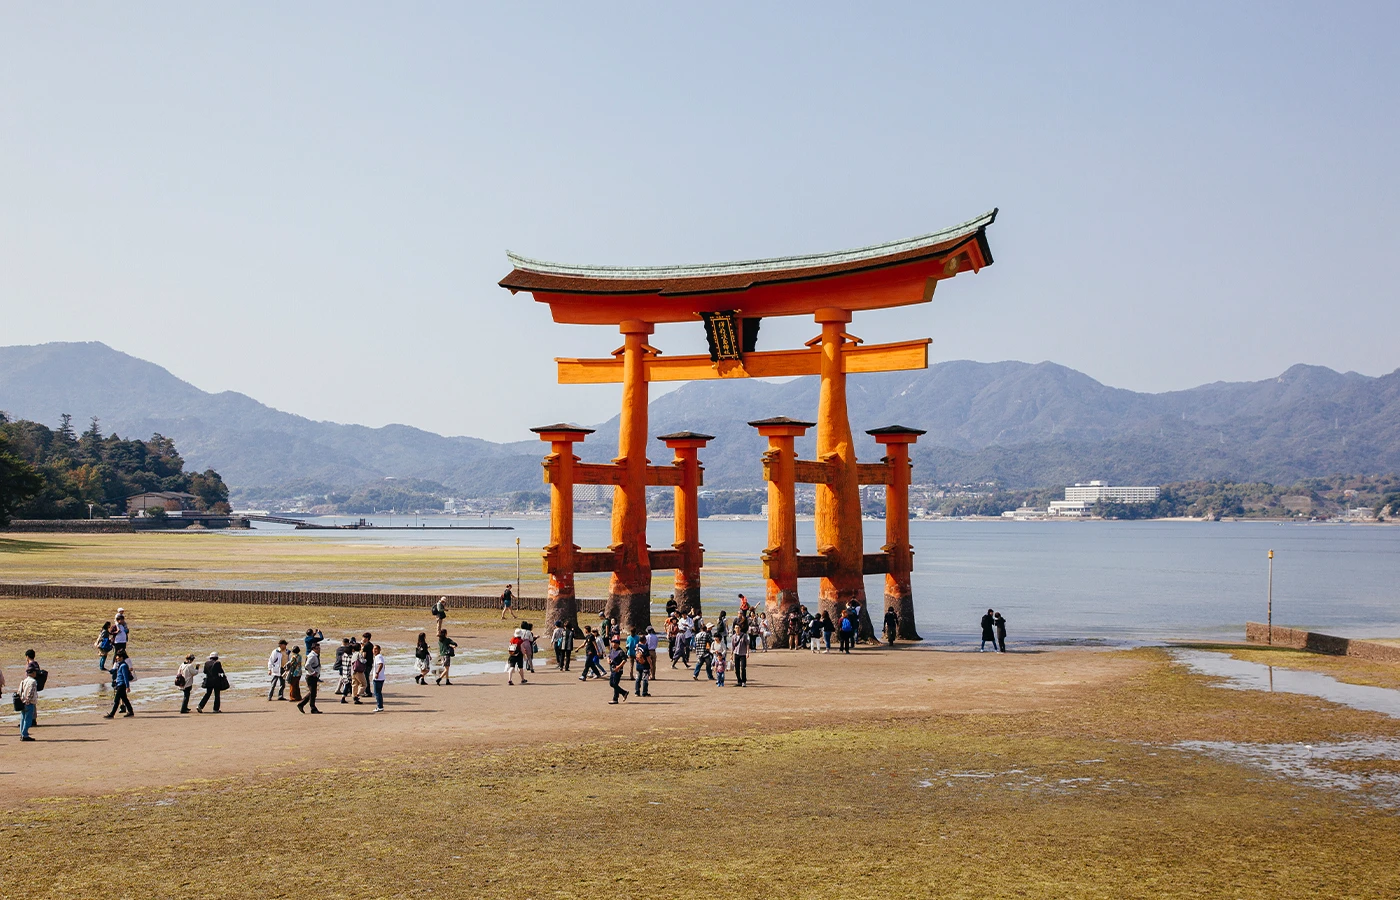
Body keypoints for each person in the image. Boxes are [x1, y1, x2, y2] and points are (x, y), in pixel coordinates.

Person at [103, 649, 135, 718]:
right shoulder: (120, 665)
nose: (116, 658)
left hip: (122, 685)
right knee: (124, 699)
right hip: (120, 684)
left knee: (116, 700)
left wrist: (127, 686)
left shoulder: (123, 666)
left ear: (122, 657)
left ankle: (112, 714)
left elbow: (125, 677)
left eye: (118, 657)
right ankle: (130, 711)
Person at [298, 642, 322, 713]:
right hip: (311, 676)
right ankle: (306, 705)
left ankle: (311, 707)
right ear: (313, 649)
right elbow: (307, 665)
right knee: (312, 693)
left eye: (319, 648)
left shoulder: (315, 655)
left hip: (313, 676)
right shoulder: (312, 656)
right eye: (317, 648)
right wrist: (313, 672)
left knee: (313, 693)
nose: (319, 650)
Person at [17, 667, 38, 741]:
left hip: (22, 702)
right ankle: (25, 735)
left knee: (22, 719)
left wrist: (22, 700)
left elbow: (19, 691)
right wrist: (28, 700)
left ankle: (22, 734)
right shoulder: (33, 681)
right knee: (28, 719)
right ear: (32, 673)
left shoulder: (24, 680)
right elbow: (31, 692)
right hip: (29, 702)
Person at [371, 644, 386, 711]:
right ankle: (380, 706)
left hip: (378, 678)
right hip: (380, 677)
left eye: (376, 649)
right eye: (374, 649)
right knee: (378, 692)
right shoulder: (378, 657)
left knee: (377, 693)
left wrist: (377, 673)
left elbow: (381, 664)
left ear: (380, 650)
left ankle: (379, 706)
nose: (375, 650)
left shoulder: (378, 657)